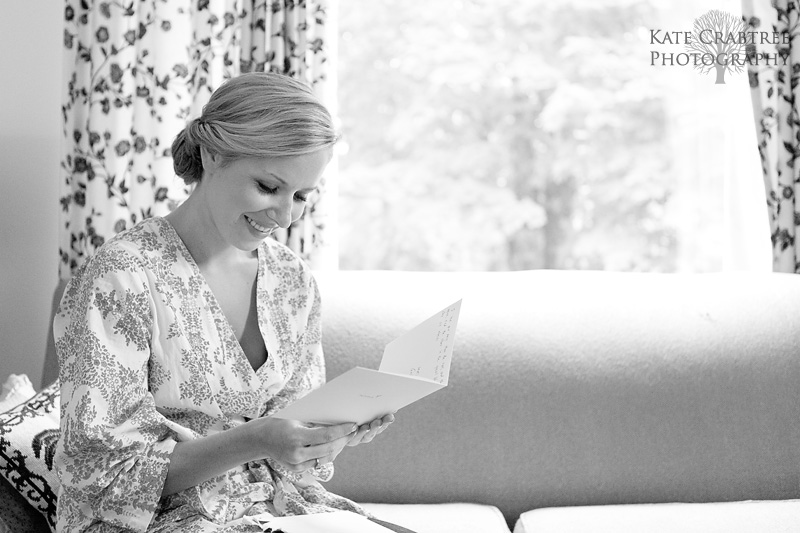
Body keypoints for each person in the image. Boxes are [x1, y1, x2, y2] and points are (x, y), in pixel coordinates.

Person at [54, 72, 410, 532]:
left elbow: (292, 453)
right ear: (213, 154)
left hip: (271, 508)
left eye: (301, 196)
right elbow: (100, 476)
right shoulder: (122, 277)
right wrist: (257, 439)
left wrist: (327, 438)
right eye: (268, 187)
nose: (284, 216)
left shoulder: (291, 281)